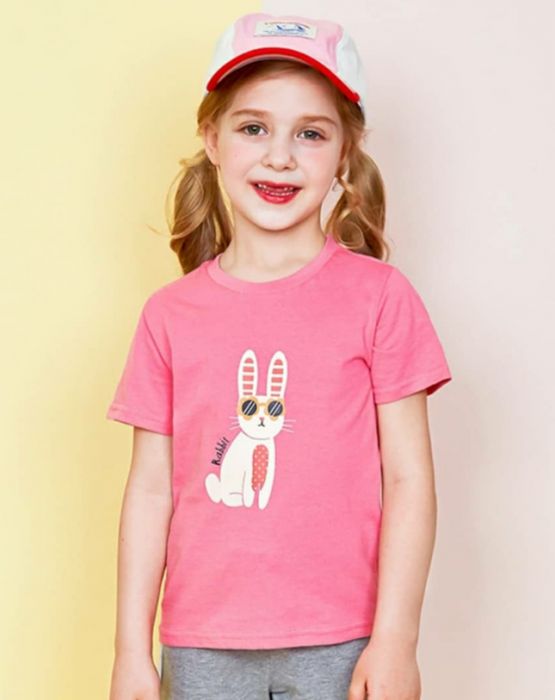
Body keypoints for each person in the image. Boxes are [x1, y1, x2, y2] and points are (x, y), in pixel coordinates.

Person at [107, 12, 453, 700]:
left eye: (310, 134)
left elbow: (408, 479)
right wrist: (130, 651)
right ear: (212, 138)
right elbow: (149, 490)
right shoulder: (168, 315)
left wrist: (395, 640)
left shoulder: (380, 298)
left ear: (345, 152)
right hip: (201, 643)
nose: (280, 157)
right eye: (253, 128)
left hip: (344, 640)